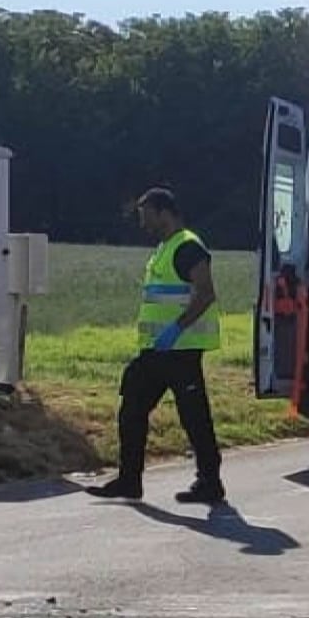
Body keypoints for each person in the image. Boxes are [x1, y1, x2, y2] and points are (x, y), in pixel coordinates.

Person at [87, 187, 225, 504]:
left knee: (194, 417)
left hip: (181, 350)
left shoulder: (187, 246)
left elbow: (205, 293)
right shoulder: (164, 248)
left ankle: (210, 482)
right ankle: (129, 480)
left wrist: (176, 329)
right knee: (132, 409)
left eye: (146, 216)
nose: (142, 223)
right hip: (155, 351)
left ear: (164, 212)